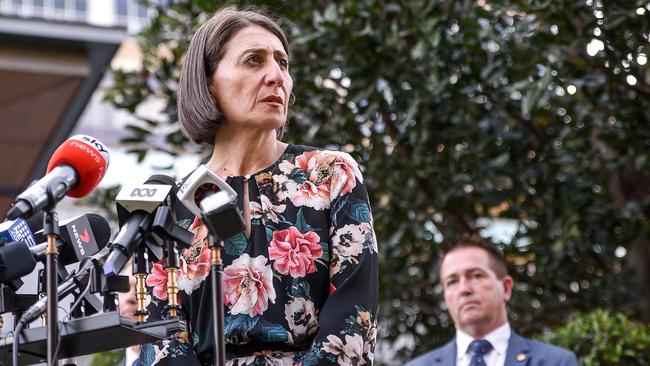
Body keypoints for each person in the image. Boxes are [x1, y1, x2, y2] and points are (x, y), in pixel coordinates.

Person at [137, 6, 378, 366]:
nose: (276, 76)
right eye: (254, 61)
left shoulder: (330, 174)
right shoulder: (170, 205)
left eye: (282, 63)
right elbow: (160, 339)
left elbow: (352, 321)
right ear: (208, 82)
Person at [406, 234, 577, 366]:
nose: (464, 289)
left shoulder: (556, 362)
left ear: (506, 288)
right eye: (452, 281)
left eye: (476, 276)